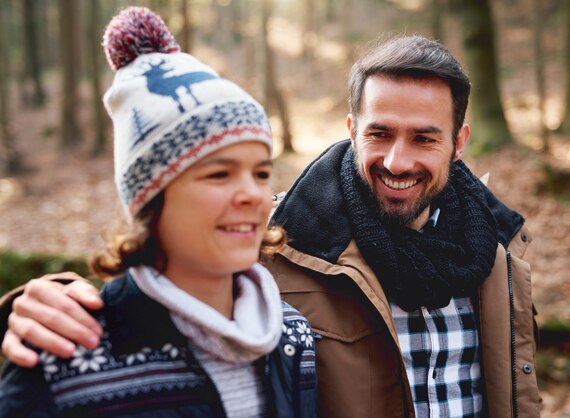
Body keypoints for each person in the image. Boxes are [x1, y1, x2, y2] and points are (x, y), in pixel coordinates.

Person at [0, 34, 540, 418]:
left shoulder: (496, 249)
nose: (398, 162)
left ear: (460, 141)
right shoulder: (281, 241)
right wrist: (40, 300)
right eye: (379, 134)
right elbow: (165, 286)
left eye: (424, 138)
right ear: (351, 129)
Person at [0, 7, 316, 417]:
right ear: (151, 199)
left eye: (260, 173)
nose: (252, 195)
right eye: (219, 174)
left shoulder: (293, 336)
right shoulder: (64, 362)